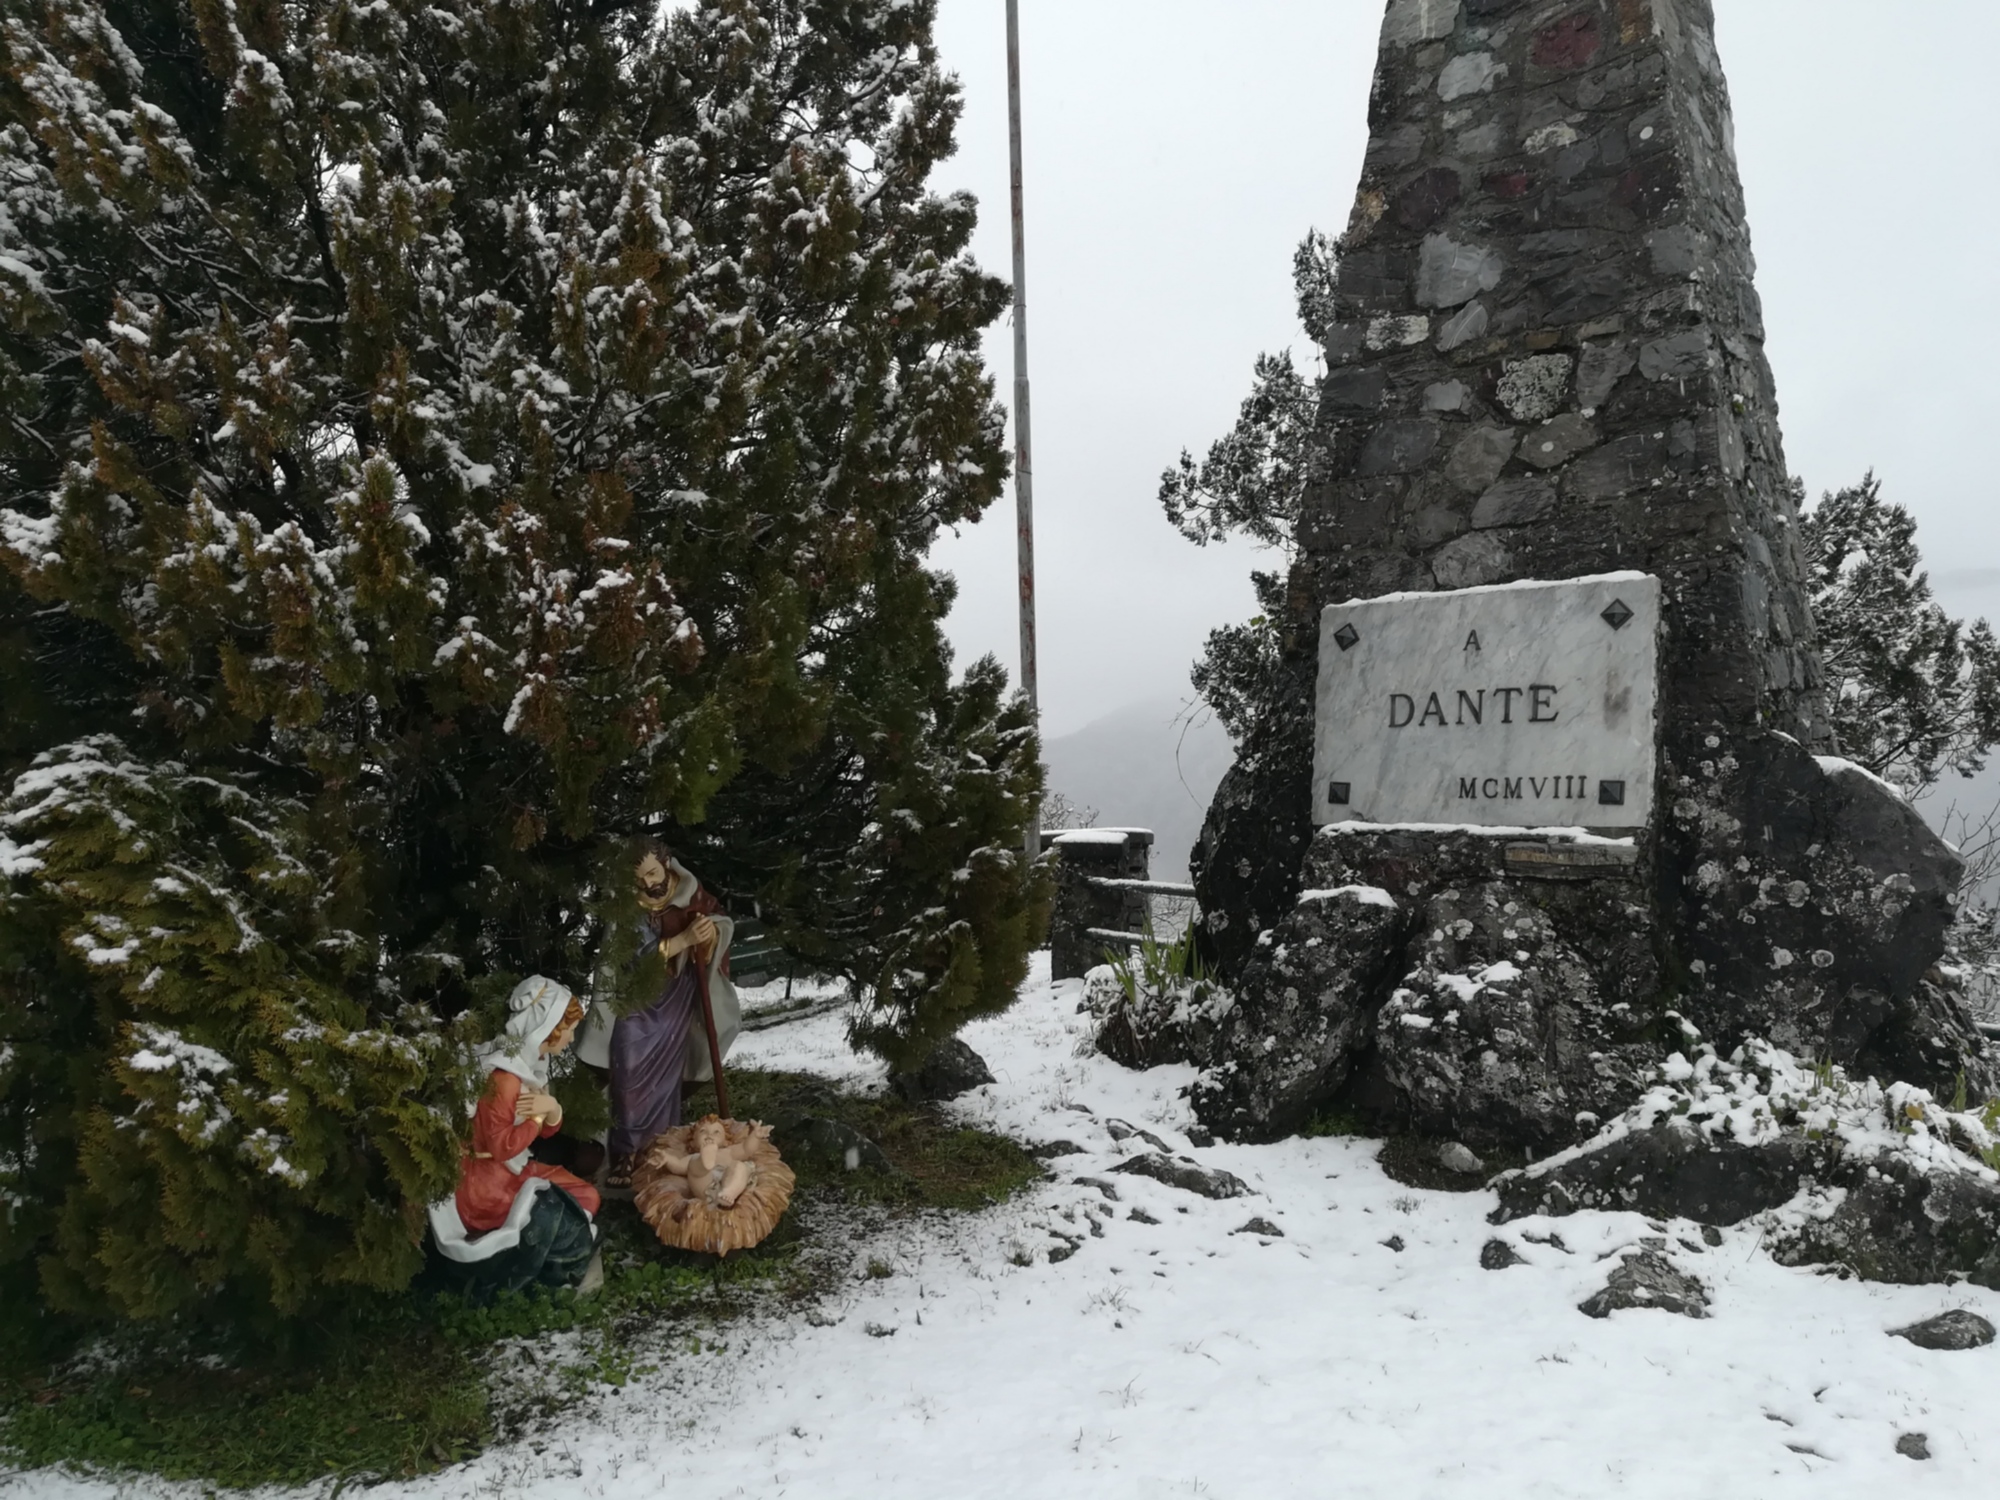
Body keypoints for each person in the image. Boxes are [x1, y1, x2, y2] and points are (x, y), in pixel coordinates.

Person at [576, 840, 740, 1190]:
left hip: (676, 997)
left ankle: (660, 1148)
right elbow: (630, 960)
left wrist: (709, 935)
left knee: (666, 1081)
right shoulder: (627, 908)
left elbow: (719, 922)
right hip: (634, 1000)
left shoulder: (692, 893)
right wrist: (682, 940)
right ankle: (625, 1151)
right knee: (628, 1070)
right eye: (640, 878)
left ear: (666, 863)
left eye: (652, 872)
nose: (649, 884)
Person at [428, 975, 601, 1297]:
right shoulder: (504, 1078)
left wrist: (550, 1111)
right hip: (485, 1184)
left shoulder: (530, 1065)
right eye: (571, 1029)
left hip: (510, 1169)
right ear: (550, 1029)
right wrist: (538, 1116)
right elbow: (502, 1146)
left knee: (587, 1195)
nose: (572, 1038)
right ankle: (548, 1274)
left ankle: (558, 1263)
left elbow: (547, 1131)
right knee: (579, 1200)